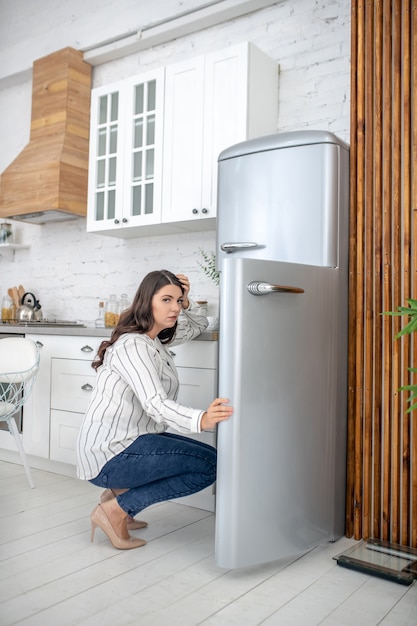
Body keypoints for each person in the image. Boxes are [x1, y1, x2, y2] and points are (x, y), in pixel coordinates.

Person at [76, 270, 233, 550]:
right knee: (209, 466)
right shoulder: (134, 345)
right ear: (147, 302)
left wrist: (188, 299)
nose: (175, 307)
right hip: (111, 453)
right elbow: (155, 404)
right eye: (166, 300)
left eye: (178, 300)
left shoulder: (154, 339)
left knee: (209, 458)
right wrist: (202, 419)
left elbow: (198, 325)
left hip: (127, 444)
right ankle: (116, 510)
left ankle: (117, 497)